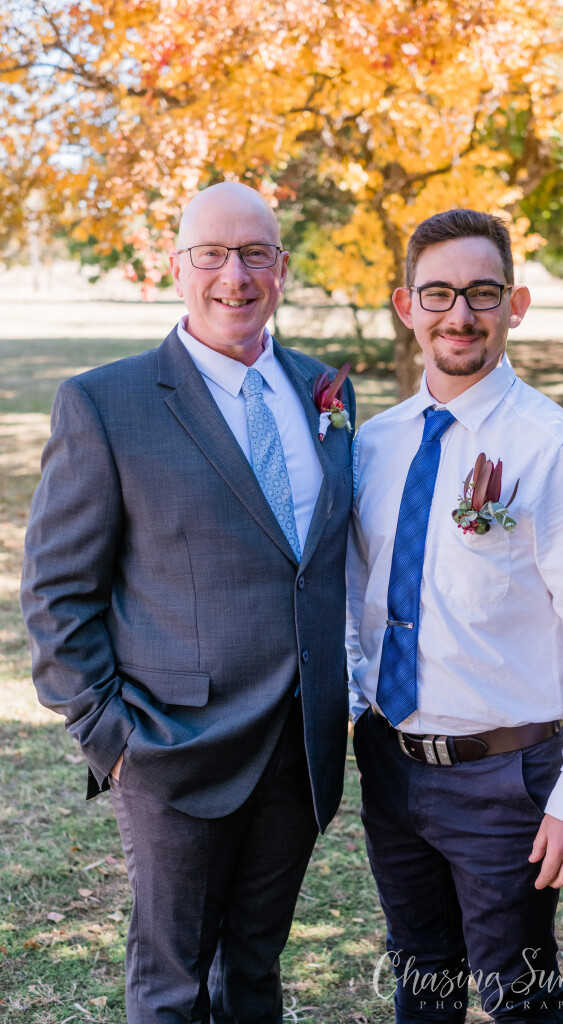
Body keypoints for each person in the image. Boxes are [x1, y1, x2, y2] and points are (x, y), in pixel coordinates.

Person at [21, 181, 355, 1024]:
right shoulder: (106, 403)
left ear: (282, 267)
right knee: (172, 984)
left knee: (255, 970)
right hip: (172, 747)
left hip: (300, 746)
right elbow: (57, 593)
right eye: (210, 254)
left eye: (254, 254)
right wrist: (110, 738)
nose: (233, 276)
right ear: (175, 268)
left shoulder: (325, 391)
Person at [346, 209, 563, 1023]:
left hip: (505, 777)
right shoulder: (374, 445)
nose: (460, 314)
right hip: (390, 760)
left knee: (520, 994)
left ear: (515, 305)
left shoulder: (556, 451)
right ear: (406, 306)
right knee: (421, 975)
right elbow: (356, 594)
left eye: (481, 292)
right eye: (437, 294)